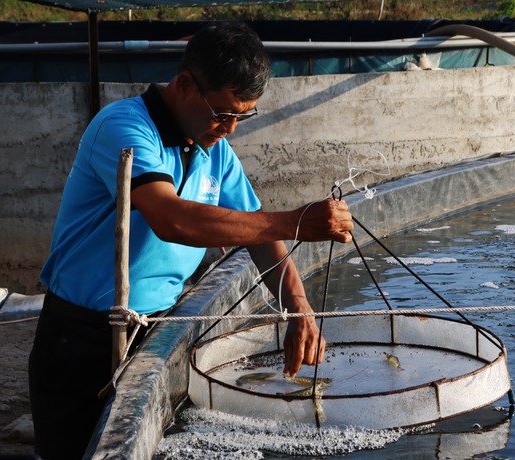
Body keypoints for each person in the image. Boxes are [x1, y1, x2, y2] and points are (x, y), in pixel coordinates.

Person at [28, 21, 353, 460]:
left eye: (243, 116)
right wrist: (296, 222)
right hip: (82, 335)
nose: (231, 128)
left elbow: (255, 232)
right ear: (184, 85)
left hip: (158, 327)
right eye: (223, 113)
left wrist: (299, 308)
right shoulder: (124, 127)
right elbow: (172, 220)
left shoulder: (213, 149)